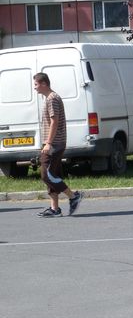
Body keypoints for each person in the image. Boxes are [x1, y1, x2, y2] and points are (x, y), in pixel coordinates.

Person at [32, 73, 82, 218]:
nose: (34, 88)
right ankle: (55, 209)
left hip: (54, 144)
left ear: (44, 84)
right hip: (54, 143)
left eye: (36, 84)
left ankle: (73, 196)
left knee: (46, 175)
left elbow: (54, 121)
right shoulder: (50, 98)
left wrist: (48, 143)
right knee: (53, 174)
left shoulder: (52, 98)